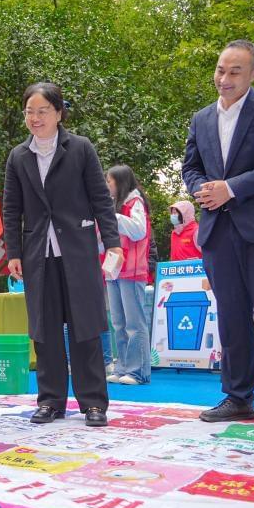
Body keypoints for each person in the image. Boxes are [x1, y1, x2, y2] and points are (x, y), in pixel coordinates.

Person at [181, 39, 254, 432]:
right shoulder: (201, 118)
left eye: (235, 71)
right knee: (231, 316)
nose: (225, 78)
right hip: (217, 231)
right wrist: (202, 189)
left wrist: (230, 188)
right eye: (220, 69)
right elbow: (190, 167)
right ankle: (237, 397)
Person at [2, 82, 121, 428]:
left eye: (43, 111)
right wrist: (14, 251)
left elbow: (101, 199)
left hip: (78, 251)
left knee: (85, 327)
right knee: (46, 331)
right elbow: (11, 208)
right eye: (30, 111)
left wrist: (112, 242)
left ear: (58, 113)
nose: (35, 118)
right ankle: (50, 401)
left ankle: (94, 403)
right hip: (38, 254)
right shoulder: (18, 156)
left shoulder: (80, 148)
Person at [104, 165, 153, 386]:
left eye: (109, 181)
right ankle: (123, 366)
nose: (107, 185)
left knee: (134, 323)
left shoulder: (135, 203)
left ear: (120, 182)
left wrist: (113, 217)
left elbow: (138, 230)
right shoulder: (114, 205)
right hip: (114, 270)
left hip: (132, 270)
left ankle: (138, 371)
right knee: (118, 322)